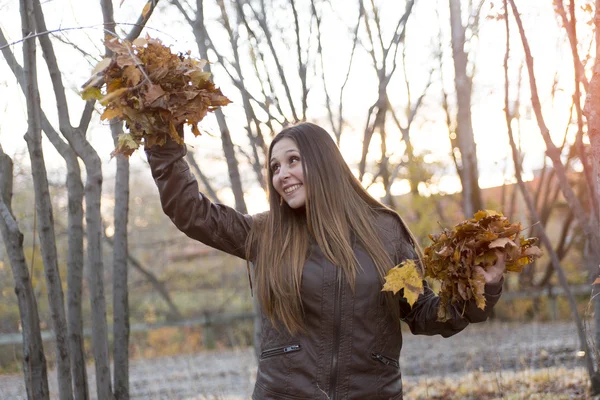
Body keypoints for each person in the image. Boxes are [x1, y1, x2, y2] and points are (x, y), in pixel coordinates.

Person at [145, 122, 505, 400]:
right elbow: (190, 211)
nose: (281, 175)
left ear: (323, 163)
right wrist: (164, 143)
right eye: (274, 167)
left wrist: (480, 289)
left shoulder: (385, 230)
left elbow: (422, 312)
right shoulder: (267, 234)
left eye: (292, 161)